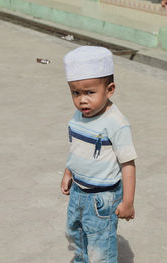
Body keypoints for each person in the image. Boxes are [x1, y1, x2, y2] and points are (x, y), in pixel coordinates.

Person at [61, 46, 137, 263]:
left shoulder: (116, 123)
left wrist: (128, 201)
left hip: (102, 198)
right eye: (76, 93)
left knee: (100, 247)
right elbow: (77, 147)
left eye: (89, 92)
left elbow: (128, 164)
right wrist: (68, 172)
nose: (82, 100)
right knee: (75, 234)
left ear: (109, 89)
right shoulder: (78, 115)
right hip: (78, 191)